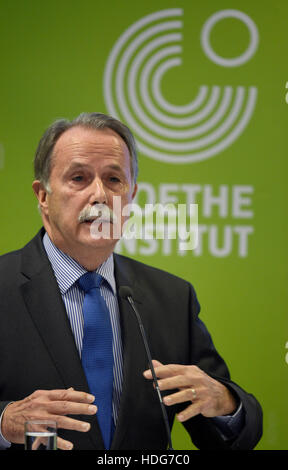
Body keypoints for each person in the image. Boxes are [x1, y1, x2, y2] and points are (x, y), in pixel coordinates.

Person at [0, 112, 262, 451]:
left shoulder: (171, 298)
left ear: (131, 196)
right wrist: (4, 423)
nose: (100, 195)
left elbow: (231, 434)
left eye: (114, 180)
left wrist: (225, 403)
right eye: (79, 178)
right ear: (43, 197)